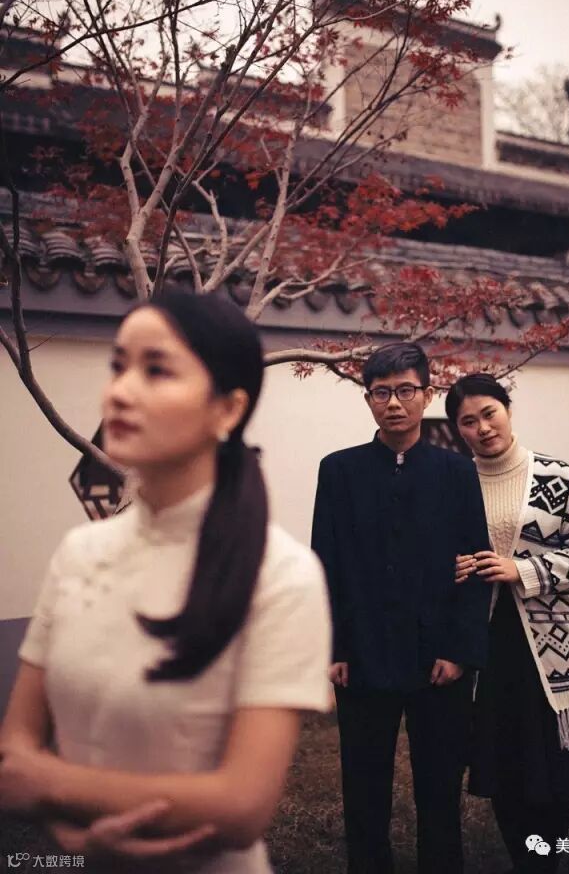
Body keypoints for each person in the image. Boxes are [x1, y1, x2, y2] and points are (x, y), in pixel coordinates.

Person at [0, 290, 332, 872]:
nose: (120, 391)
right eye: (118, 366)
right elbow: (15, 748)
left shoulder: (282, 575)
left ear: (227, 410)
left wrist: (49, 785)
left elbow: (241, 805)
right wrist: (74, 836)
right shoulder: (79, 552)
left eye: (156, 370)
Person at [311, 342, 492, 874]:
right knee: (364, 786)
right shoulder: (339, 471)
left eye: (406, 391)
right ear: (368, 399)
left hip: (439, 660)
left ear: (427, 395)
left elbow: (476, 565)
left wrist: (459, 652)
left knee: (440, 787)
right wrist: (334, 648)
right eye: (381, 392)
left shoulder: (456, 472)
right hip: (363, 656)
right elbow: (325, 562)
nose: (394, 403)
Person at [444, 373, 569, 874]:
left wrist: (524, 570)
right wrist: (450, 567)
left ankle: (546, 859)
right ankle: (524, 858)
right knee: (502, 763)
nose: (482, 428)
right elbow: (431, 554)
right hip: (484, 647)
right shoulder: (454, 484)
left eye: (489, 413)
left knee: (549, 765)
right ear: (457, 430)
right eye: (468, 421)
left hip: (547, 648)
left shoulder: (559, 478)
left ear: (508, 410)